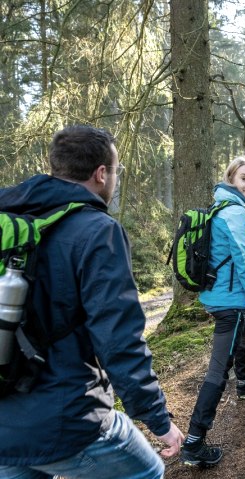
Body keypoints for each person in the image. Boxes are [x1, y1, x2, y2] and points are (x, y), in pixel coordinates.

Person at [0, 125, 184, 479]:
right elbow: (118, 340)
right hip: (67, 419)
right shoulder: (98, 231)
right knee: (147, 472)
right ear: (102, 174)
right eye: (116, 171)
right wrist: (158, 419)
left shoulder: (15, 221)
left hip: (6, 421)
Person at [181, 155, 245, 467]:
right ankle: (194, 442)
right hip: (228, 301)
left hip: (216, 295)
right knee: (218, 370)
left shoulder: (223, 205)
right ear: (232, 179)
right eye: (244, 178)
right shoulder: (235, 213)